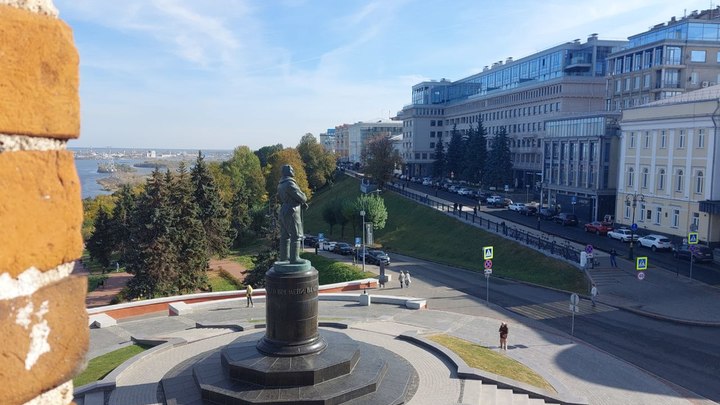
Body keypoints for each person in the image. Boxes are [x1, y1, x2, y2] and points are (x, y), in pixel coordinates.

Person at [277, 164, 308, 264]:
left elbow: (289, 197)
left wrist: (301, 203)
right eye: (292, 169)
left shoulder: (281, 184)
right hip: (292, 211)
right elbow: (302, 197)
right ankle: (295, 258)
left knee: (285, 235)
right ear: (288, 172)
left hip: (284, 210)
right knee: (296, 235)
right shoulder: (289, 184)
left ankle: (284, 258)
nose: (293, 171)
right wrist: (303, 199)